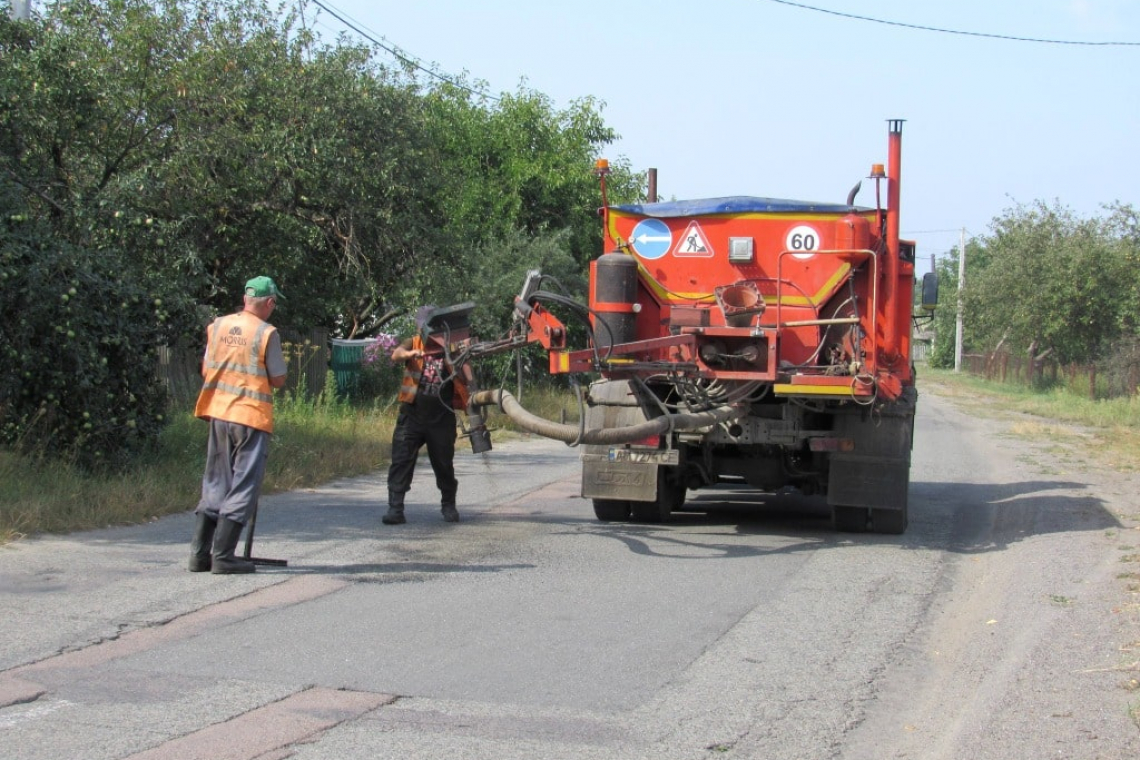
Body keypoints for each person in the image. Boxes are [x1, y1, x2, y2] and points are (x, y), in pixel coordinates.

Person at [187, 276, 288, 574]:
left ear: (245, 299)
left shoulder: (217, 326)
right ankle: (224, 556)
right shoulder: (266, 332)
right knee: (244, 484)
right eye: (275, 303)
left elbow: (206, 368)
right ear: (269, 303)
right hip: (250, 417)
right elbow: (279, 379)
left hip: (218, 413)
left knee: (216, 481)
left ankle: (199, 555)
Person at [383, 305, 474, 525]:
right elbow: (396, 355)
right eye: (424, 326)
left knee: (443, 464)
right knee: (401, 460)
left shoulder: (451, 347)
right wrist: (410, 354)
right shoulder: (413, 342)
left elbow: (468, 376)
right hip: (412, 414)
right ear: (419, 326)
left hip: (441, 417)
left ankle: (448, 506)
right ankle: (395, 509)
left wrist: (459, 356)